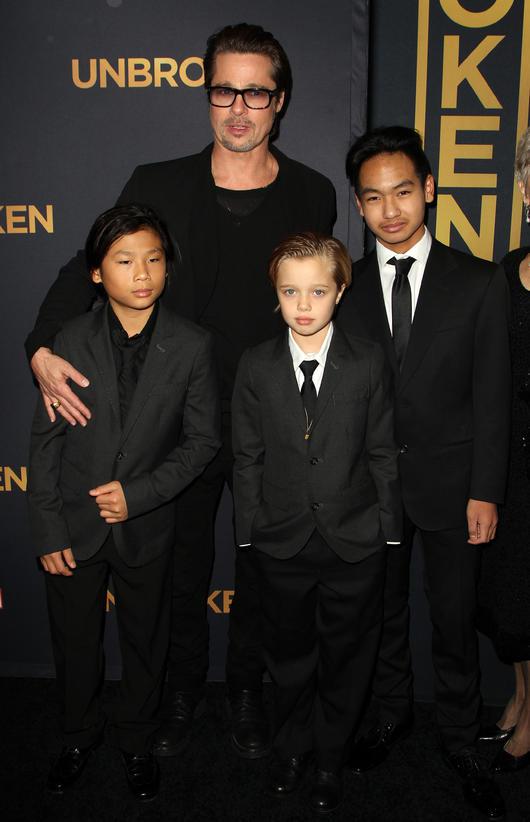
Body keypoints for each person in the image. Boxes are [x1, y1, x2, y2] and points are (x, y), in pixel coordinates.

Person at [24, 23, 336, 759]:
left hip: (273, 422)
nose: (239, 108)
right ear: (207, 96)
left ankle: (248, 691)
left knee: (261, 568)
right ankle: (183, 690)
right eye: (225, 90)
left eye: (255, 92)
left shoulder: (312, 192)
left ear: (280, 101)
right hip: (174, 426)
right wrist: (40, 347)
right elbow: (87, 264)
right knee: (179, 571)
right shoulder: (157, 182)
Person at [338, 126, 511, 820]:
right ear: (358, 204)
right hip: (369, 489)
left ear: (429, 189)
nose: (390, 210)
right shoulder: (344, 286)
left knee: (454, 620)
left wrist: (485, 491)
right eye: (373, 197)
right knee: (381, 614)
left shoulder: (479, 281)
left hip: (454, 487)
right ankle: (391, 714)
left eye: (403, 191)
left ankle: (461, 739)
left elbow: (493, 398)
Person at [27, 204, 220, 800]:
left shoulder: (192, 345)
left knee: (146, 641)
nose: (142, 273)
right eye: (124, 260)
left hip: (147, 526)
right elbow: (45, 444)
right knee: (75, 641)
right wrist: (48, 529)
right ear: (95, 272)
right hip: (73, 526)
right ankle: (78, 734)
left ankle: (137, 739)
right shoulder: (69, 340)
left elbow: (203, 441)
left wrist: (139, 496)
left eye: (154, 260)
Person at [232, 232, 401, 814]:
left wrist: (388, 528)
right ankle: (292, 747)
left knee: (347, 659)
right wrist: (250, 531)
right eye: (290, 292)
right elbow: (247, 455)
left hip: (356, 542)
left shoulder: (368, 361)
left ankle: (331, 756)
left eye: (318, 292)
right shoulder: (256, 364)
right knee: (288, 657)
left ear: (340, 291)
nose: (303, 306)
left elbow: (382, 450)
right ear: (275, 293)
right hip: (281, 543)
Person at [478, 126, 530, 773]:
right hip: (510, 465)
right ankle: (520, 694)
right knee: (513, 598)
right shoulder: (503, 274)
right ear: (523, 188)